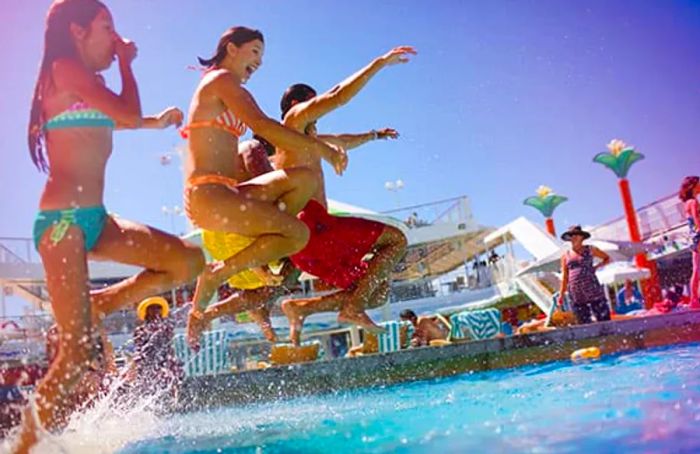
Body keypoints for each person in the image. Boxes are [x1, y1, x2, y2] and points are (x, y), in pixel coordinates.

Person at [15, 2, 205, 450]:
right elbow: (123, 111)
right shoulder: (63, 69)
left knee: (187, 262)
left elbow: (111, 121)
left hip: (97, 220)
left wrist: (151, 122)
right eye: (108, 28)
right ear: (79, 31)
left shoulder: (84, 86)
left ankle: (103, 304)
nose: (117, 38)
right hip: (62, 224)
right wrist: (126, 63)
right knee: (76, 357)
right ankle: (21, 447)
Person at [182, 26, 347, 349]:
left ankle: (263, 248)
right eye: (254, 51)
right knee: (298, 235)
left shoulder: (227, 84)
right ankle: (217, 275)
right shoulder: (220, 81)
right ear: (231, 48)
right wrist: (323, 151)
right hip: (208, 196)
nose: (258, 62)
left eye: (262, 55)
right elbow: (262, 125)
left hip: (227, 194)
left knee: (304, 179)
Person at [274, 46, 415, 345]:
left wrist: (375, 135)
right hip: (313, 227)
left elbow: (342, 141)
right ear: (299, 104)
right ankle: (351, 307)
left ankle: (302, 309)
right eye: (316, 103)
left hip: (309, 246)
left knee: (377, 291)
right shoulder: (293, 121)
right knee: (396, 240)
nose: (320, 111)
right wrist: (379, 63)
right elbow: (338, 95)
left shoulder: (305, 141)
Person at [128, 297, 183, 397]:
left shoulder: (167, 327)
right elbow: (139, 348)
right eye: (152, 308)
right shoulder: (140, 330)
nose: (156, 310)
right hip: (148, 359)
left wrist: (172, 359)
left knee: (173, 371)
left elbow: (169, 346)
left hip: (164, 358)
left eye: (158, 307)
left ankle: (174, 398)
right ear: (147, 312)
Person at [557, 225, 612, 324]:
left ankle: (608, 334)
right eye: (571, 235)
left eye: (576, 235)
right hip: (576, 293)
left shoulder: (590, 249)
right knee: (583, 322)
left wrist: (596, 267)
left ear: (582, 237)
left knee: (603, 318)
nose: (573, 237)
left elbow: (607, 258)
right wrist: (561, 295)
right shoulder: (566, 256)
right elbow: (565, 276)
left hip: (592, 288)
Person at [679, 176, 700, 309]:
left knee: (696, 268)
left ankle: (694, 299)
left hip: (694, 237)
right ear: (692, 186)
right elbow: (696, 218)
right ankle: (694, 298)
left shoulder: (687, 203)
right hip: (699, 234)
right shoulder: (693, 202)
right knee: (697, 269)